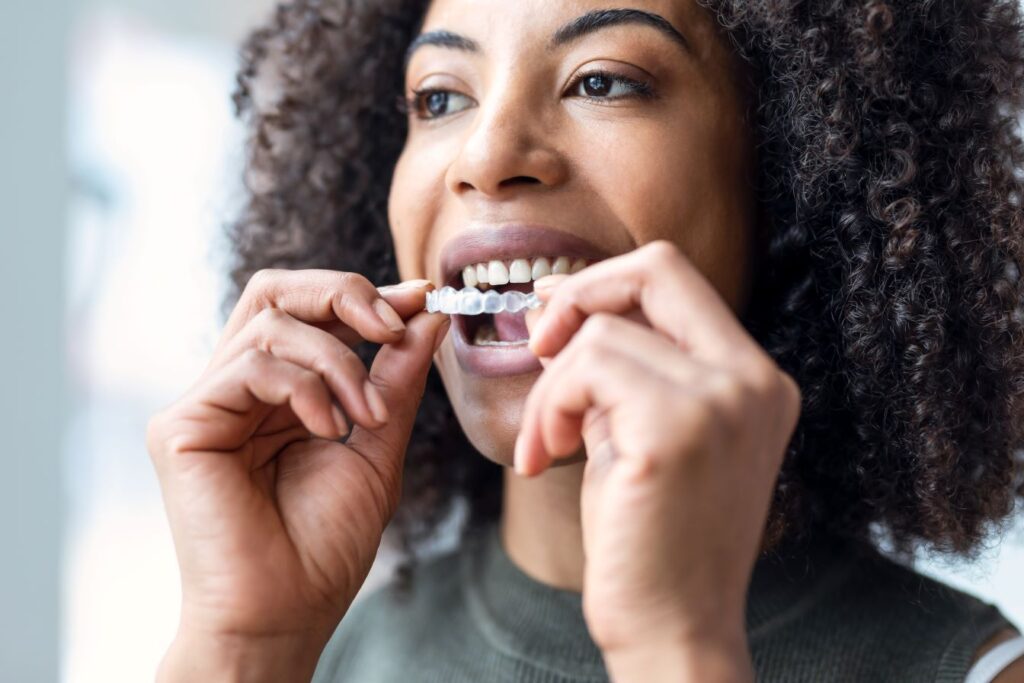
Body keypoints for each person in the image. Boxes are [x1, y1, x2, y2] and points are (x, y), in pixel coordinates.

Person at [146, 0, 1024, 680]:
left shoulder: (968, 668)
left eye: (602, 80)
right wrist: (239, 643)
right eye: (440, 97)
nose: (485, 155)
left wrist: (674, 645)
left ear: (790, 174)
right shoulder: (330, 655)